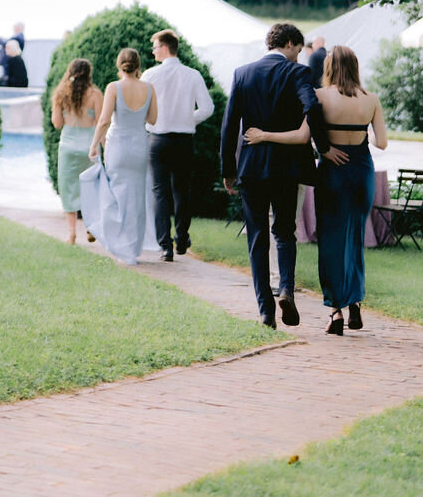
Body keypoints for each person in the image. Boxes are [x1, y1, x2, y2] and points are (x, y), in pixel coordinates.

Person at [244, 45, 387, 335]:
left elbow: (301, 137)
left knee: (330, 240)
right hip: (361, 171)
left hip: (333, 172)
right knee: (354, 238)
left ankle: (336, 312)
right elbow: (381, 142)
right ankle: (355, 302)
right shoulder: (371, 99)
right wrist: (365, 132)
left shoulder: (319, 96)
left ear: (329, 68)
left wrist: (264, 135)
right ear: (355, 67)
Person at [221, 22, 340, 329]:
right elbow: (312, 108)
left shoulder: (242, 74)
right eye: (298, 50)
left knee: (257, 238)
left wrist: (228, 170)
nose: (298, 57)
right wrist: (323, 147)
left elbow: (229, 124)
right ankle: (286, 287)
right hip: (287, 168)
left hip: (251, 167)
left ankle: (265, 311)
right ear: (288, 43)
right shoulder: (297, 73)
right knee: (285, 232)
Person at [79, 48, 158, 264]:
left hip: (118, 147)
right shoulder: (149, 88)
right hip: (139, 146)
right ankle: (132, 246)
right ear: (138, 65)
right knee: (136, 197)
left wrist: (94, 145)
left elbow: (104, 120)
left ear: (119, 64)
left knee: (116, 195)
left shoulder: (113, 87)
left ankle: (119, 243)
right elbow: (152, 119)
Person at [143, 29, 215, 261]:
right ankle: (182, 239)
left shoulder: (150, 75)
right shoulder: (193, 75)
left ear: (165, 48)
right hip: (184, 140)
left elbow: (141, 107)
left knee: (160, 192)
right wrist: (187, 118)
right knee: (182, 190)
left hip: (158, 139)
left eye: (155, 47)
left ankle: (165, 246)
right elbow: (207, 108)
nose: (153, 51)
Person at [52, 57, 102, 244]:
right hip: (90, 147)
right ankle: (90, 227)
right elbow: (101, 123)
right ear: (89, 74)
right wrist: (104, 147)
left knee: (68, 189)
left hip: (68, 148)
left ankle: (71, 233)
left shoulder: (60, 93)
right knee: (92, 187)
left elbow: (57, 124)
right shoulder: (95, 94)